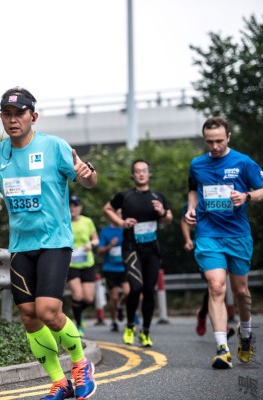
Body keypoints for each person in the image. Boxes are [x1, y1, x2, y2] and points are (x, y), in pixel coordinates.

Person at [0, 87, 97, 400]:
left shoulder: (53, 146)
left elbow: (89, 181)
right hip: (21, 246)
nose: (13, 120)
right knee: (29, 316)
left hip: (54, 242)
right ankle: (59, 382)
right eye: (7, 114)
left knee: (48, 311)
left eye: (19, 114)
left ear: (33, 117)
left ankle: (81, 364)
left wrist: (87, 172)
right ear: (1, 117)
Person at [185, 116, 263, 369]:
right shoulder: (197, 164)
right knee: (216, 286)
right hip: (208, 233)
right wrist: (191, 208)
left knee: (241, 292)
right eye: (209, 142)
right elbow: (193, 189)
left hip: (237, 235)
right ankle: (222, 348)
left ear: (228, 137)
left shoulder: (243, 162)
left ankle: (246, 332)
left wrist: (246, 196)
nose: (215, 146)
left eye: (219, 141)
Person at [103, 159, 172, 348]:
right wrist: (121, 222)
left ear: (149, 174)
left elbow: (168, 219)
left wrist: (162, 212)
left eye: (144, 170)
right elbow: (107, 209)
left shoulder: (158, 196)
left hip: (152, 250)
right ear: (133, 175)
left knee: (149, 291)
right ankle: (130, 326)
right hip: (131, 249)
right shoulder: (125, 196)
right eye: (137, 171)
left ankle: (146, 332)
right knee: (135, 288)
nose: (141, 173)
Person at [180, 204, 236, 339]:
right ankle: (222, 327)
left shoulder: (228, 194)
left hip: (228, 244)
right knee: (215, 285)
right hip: (206, 247)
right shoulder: (196, 199)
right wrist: (188, 240)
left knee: (218, 286)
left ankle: (203, 313)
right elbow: (184, 220)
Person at [68, 194, 99, 336]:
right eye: (70, 206)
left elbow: (96, 239)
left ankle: (77, 311)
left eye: (75, 205)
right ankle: (79, 325)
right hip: (71, 264)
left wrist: (91, 244)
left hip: (87, 263)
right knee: (78, 295)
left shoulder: (88, 221)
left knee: (88, 298)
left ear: (80, 207)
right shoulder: (64, 222)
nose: (72, 208)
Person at [97, 209, 129, 333]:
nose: (119, 216)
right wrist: (110, 245)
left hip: (124, 267)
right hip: (110, 268)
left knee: (128, 292)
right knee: (114, 297)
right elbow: (99, 251)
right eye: (117, 214)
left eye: (121, 213)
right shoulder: (105, 231)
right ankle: (114, 321)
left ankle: (120, 306)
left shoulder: (126, 229)